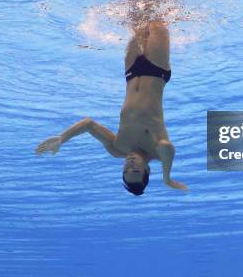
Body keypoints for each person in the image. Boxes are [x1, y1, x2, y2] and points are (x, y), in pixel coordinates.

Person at [35, 19, 187, 195]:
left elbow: (89, 124)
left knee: (139, 18)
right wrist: (167, 178)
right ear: (146, 170)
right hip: (157, 70)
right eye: (136, 171)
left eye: (125, 171)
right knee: (156, 22)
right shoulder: (157, 151)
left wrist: (62, 138)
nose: (129, 166)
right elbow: (166, 145)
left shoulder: (118, 148)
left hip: (131, 72)